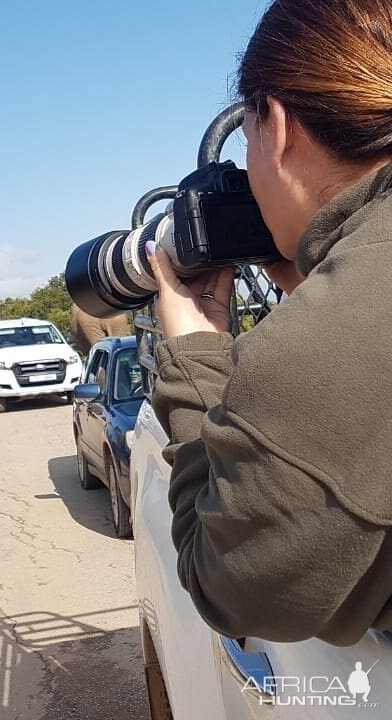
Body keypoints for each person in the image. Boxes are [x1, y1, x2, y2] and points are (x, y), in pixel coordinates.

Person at [145, 0, 392, 646]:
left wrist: (195, 356)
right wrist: (325, 282)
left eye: (247, 139)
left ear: (276, 127)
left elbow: (226, 583)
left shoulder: (318, 352)